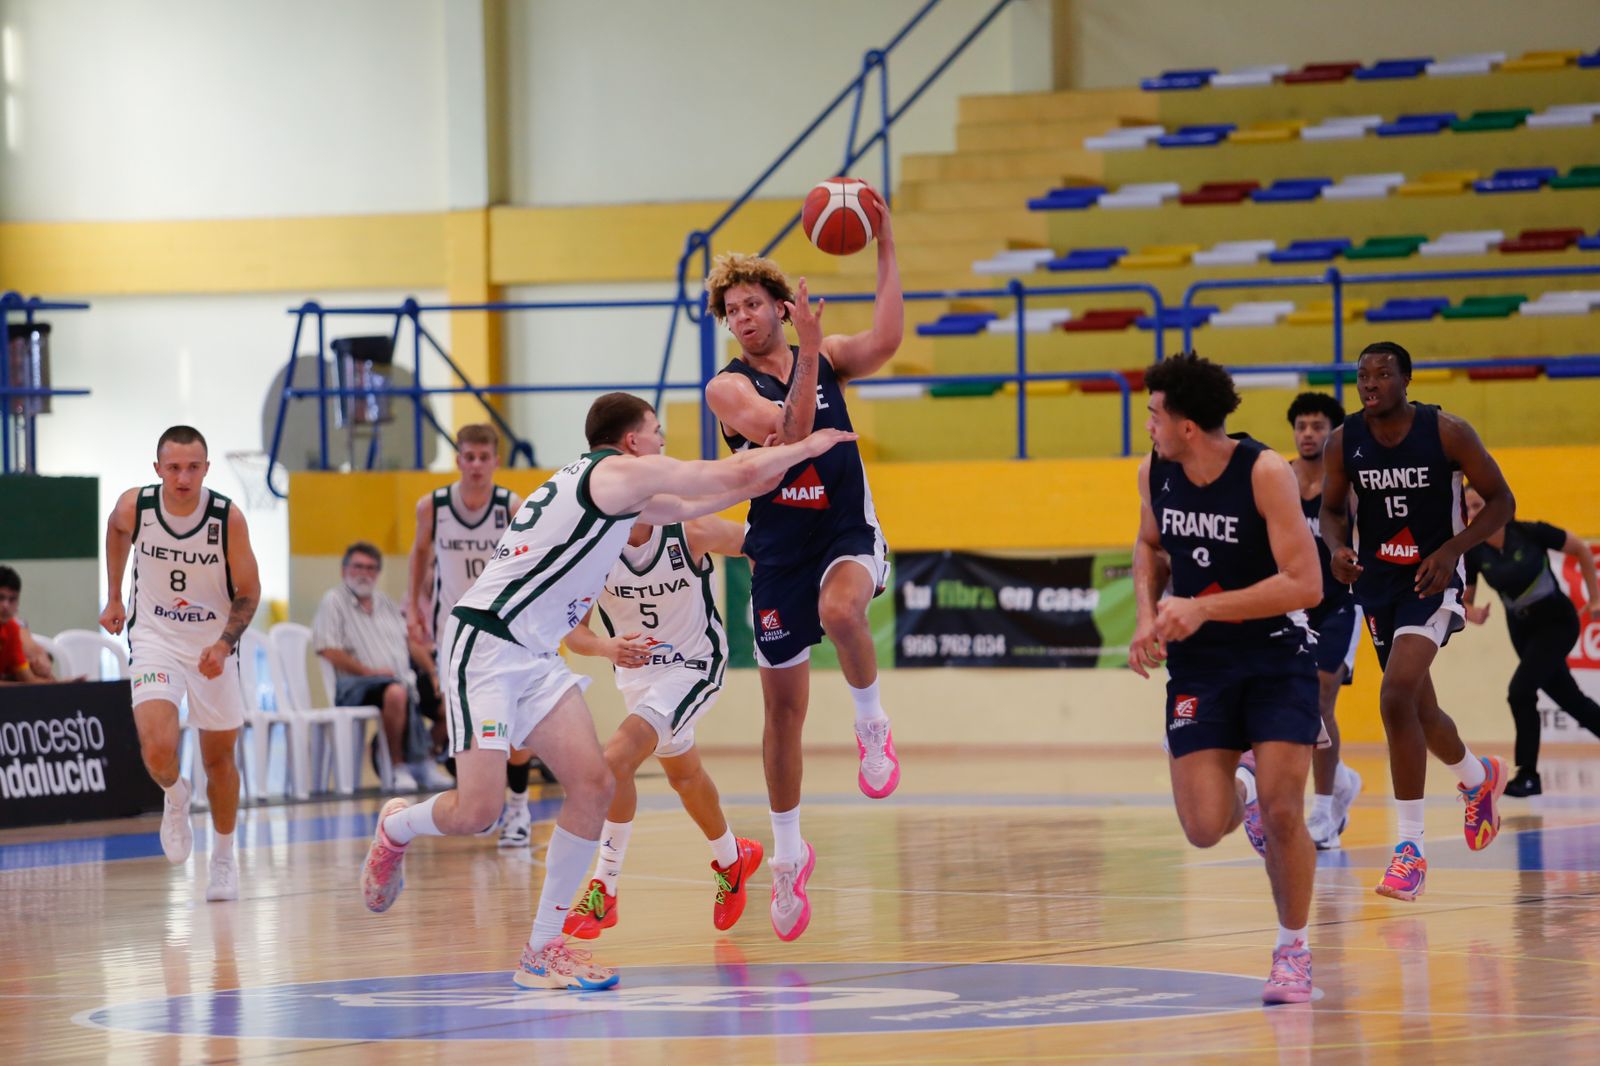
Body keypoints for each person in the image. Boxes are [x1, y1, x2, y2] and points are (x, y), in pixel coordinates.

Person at [360, 391, 854, 991]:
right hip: (488, 644)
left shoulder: (624, 494)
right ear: (631, 442)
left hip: (538, 655)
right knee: (478, 811)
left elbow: (719, 492)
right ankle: (397, 827)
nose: (663, 441)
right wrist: (810, 444)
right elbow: (725, 472)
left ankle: (544, 948)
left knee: (595, 785)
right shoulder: (611, 476)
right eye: (656, 432)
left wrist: (773, 472)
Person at [701, 204, 903, 941]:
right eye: (732, 311)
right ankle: (788, 854)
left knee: (845, 612)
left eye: (753, 304)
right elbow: (782, 433)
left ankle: (871, 723)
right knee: (780, 716)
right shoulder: (727, 387)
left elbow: (887, 336)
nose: (743, 318)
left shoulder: (826, 353)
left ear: (781, 308)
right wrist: (812, 354)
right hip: (778, 547)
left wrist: (885, 244)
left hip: (845, 529)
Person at [1129, 352, 1324, 1004]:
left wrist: (1202, 605)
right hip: (1201, 665)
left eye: (1155, 413)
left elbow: (1306, 582)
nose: (1147, 423)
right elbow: (1150, 546)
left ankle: (1293, 951)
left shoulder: (1265, 473)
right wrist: (1145, 616)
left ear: (1187, 425)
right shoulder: (1154, 470)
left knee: (1286, 808)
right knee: (1204, 826)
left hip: (1275, 655)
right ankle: (1241, 785)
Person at [1320, 341, 1516, 902]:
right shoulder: (1344, 442)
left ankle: (1409, 851)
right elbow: (1332, 511)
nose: (1370, 382)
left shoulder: (1447, 431)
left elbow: (1502, 501)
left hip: (1433, 580)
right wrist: (1336, 548)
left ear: (1407, 379)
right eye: (1362, 375)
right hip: (1378, 586)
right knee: (1423, 713)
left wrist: (1454, 550)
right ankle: (1480, 779)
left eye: (1382, 373)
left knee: (1394, 694)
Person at [560, 425, 759, 939]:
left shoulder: (688, 529)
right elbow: (574, 633)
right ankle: (733, 859)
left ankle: (605, 889)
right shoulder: (591, 549)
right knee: (684, 776)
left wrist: (788, 601)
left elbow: (757, 546)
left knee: (614, 760)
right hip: (636, 674)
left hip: (695, 663)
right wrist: (607, 647)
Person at [99, 425, 261, 901]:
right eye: (174, 468)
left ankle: (224, 859)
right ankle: (175, 795)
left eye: (193, 467)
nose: (183, 477)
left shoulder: (226, 517)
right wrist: (114, 595)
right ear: (158, 470)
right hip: (155, 639)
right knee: (157, 749)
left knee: (219, 761)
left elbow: (249, 593)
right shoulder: (137, 506)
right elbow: (115, 527)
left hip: (212, 645)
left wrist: (225, 645)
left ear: (206, 469)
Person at [405, 423, 537, 847]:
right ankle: (482, 805)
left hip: (505, 631)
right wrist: (414, 605)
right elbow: (420, 552)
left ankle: (517, 807)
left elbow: (529, 565)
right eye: (469, 457)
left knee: (516, 724)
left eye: (485, 457)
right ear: (458, 459)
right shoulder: (434, 506)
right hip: (455, 632)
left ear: (497, 461)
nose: (477, 465)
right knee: (470, 724)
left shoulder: (511, 507)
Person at [1462, 485, 1600, 796]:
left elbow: (1579, 547)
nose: (1472, 513)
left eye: (1477, 505)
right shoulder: (1473, 550)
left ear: (1496, 505)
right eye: (1467, 508)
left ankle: (1528, 774)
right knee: (1571, 700)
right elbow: (1466, 599)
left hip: (1557, 622)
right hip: (1522, 632)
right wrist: (1472, 614)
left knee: (1520, 691)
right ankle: (1529, 775)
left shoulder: (1528, 531)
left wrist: (1594, 599)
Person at [1285, 393, 1364, 849]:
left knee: (1320, 694)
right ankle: (1341, 783)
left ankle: (1323, 812)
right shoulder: (1278, 478)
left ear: (1333, 432)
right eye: (1301, 426)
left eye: (1317, 425)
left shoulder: (1347, 483)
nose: (1308, 433)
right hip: (1294, 605)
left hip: (1341, 603)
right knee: (1295, 702)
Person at [313, 542, 451, 793]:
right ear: (344, 570)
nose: (364, 573)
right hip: (353, 685)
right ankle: (398, 768)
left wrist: (433, 673)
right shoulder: (333, 601)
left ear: (377, 573)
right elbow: (327, 649)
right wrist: (369, 673)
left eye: (371, 568)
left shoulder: (385, 602)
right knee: (397, 692)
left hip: (397, 680)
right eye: (358, 566)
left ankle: (424, 760)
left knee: (443, 698)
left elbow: (410, 644)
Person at [0, 566, 53, 684]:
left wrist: (61, 683)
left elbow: (29, 680)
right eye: (1, 598)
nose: (5, 605)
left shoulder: (12, 629)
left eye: (12, 599)